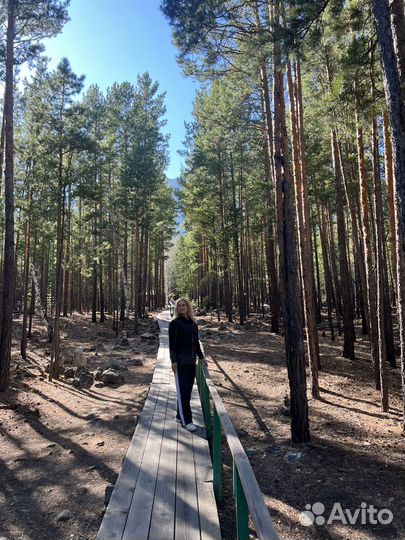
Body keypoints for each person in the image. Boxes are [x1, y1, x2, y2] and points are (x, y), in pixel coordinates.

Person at [168, 298, 206, 432]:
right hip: (180, 363)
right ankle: (187, 421)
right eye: (179, 306)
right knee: (183, 392)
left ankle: (179, 415)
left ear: (188, 307)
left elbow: (196, 343)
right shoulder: (174, 324)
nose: (182, 308)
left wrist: (201, 357)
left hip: (191, 363)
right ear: (176, 308)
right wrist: (173, 361)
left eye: (184, 305)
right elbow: (172, 345)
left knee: (187, 392)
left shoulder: (193, 324)